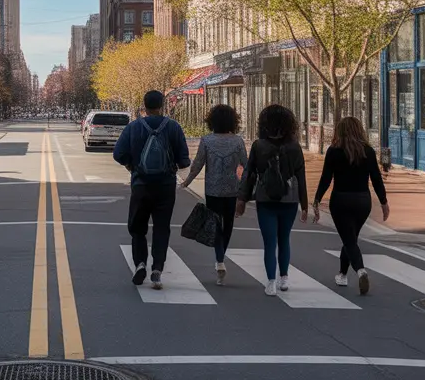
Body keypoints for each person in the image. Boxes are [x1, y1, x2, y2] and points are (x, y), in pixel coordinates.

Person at [113, 89, 190, 290]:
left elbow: (118, 153)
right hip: (165, 186)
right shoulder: (173, 127)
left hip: (140, 185)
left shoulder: (134, 127)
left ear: (144, 106)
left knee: (138, 227)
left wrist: (131, 164)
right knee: (162, 228)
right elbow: (183, 161)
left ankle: (140, 263)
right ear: (162, 106)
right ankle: (157, 269)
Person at [313, 116, 389, 295]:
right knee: (350, 238)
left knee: (349, 239)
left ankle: (361, 270)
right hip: (363, 200)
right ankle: (342, 274)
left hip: (341, 199)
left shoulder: (334, 151)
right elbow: (377, 180)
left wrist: (317, 199)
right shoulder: (368, 151)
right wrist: (384, 202)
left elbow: (326, 178)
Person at [237, 103, 308, 296]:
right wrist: (305, 205)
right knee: (284, 238)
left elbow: (250, 174)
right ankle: (284, 277)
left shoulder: (258, 146)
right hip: (290, 199)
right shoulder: (295, 148)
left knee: (269, 242)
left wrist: (242, 198)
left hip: (265, 198)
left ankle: (271, 281)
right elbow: (301, 177)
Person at [181, 104, 248, 285]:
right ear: (233, 121)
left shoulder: (207, 141)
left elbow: (198, 164)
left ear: (212, 121)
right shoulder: (238, 142)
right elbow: (246, 166)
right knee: (228, 226)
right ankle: (220, 258)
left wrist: (187, 182)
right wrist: (245, 189)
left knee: (215, 224)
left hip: (212, 190)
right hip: (232, 190)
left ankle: (219, 260)